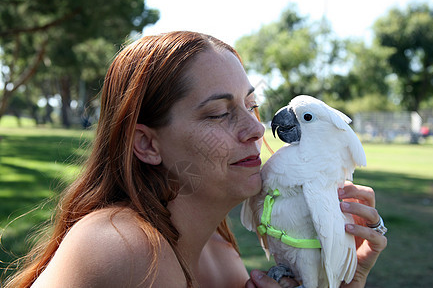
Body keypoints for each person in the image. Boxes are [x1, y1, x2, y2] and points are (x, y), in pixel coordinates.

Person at [5, 31, 387, 288]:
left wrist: (337, 280)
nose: (256, 130)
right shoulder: (122, 246)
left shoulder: (219, 247)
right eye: (219, 113)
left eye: (252, 106)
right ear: (147, 145)